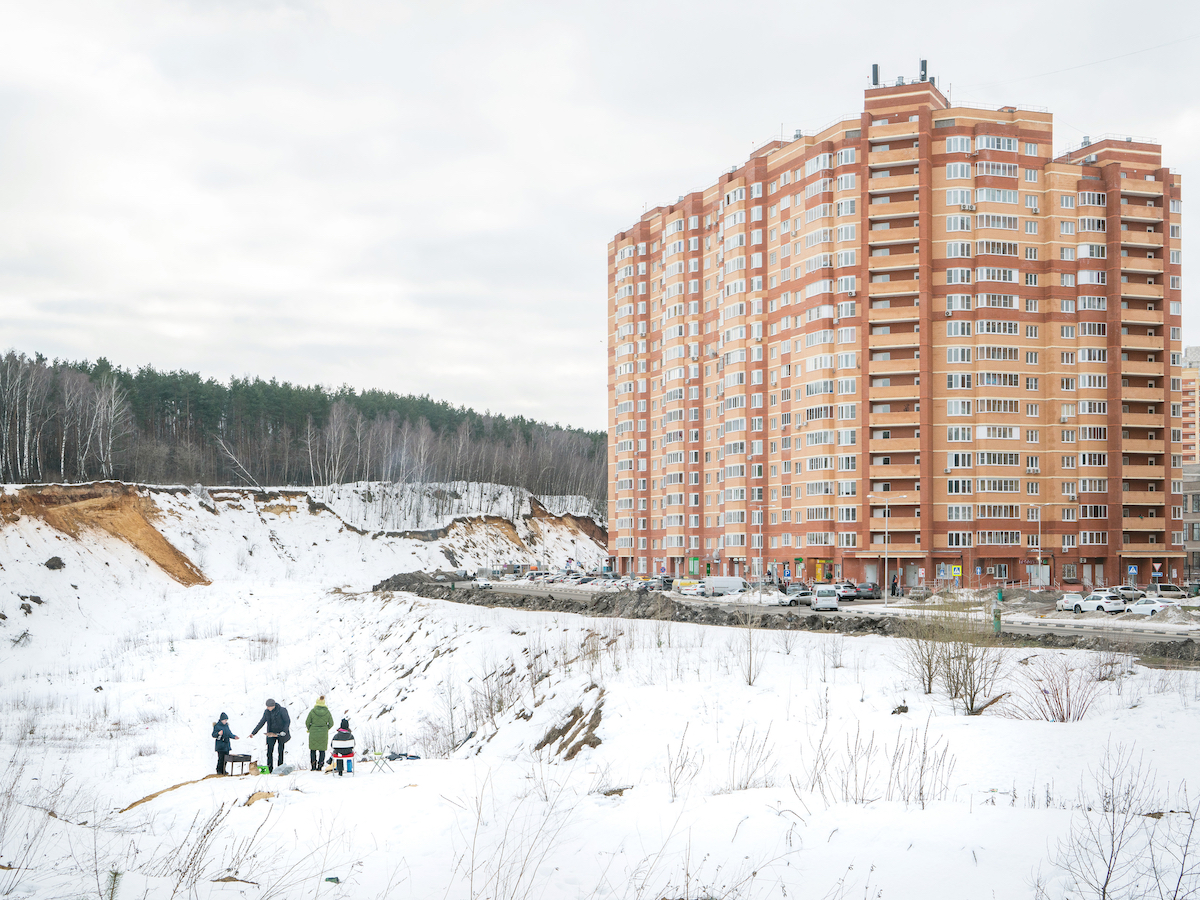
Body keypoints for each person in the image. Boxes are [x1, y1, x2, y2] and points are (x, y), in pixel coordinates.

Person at [249, 698, 291, 773]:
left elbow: (287, 721)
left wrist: (284, 731)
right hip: (271, 733)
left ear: (273, 706)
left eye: (269, 707)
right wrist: (253, 732)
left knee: (280, 751)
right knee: (269, 751)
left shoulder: (282, 710)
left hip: (281, 733)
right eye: (267, 707)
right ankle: (269, 768)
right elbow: (262, 722)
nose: (268, 708)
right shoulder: (267, 712)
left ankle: (280, 768)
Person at [305, 696, 334, 772]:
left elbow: (307, 722)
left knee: (313, 750)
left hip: (313, 732)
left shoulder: (312, 711)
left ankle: (313, 766)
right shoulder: (327, 712)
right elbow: (331, 723)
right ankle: (320, 766)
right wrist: (326, 728)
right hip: (323, 733)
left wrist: (310, 729)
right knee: (322, 750)